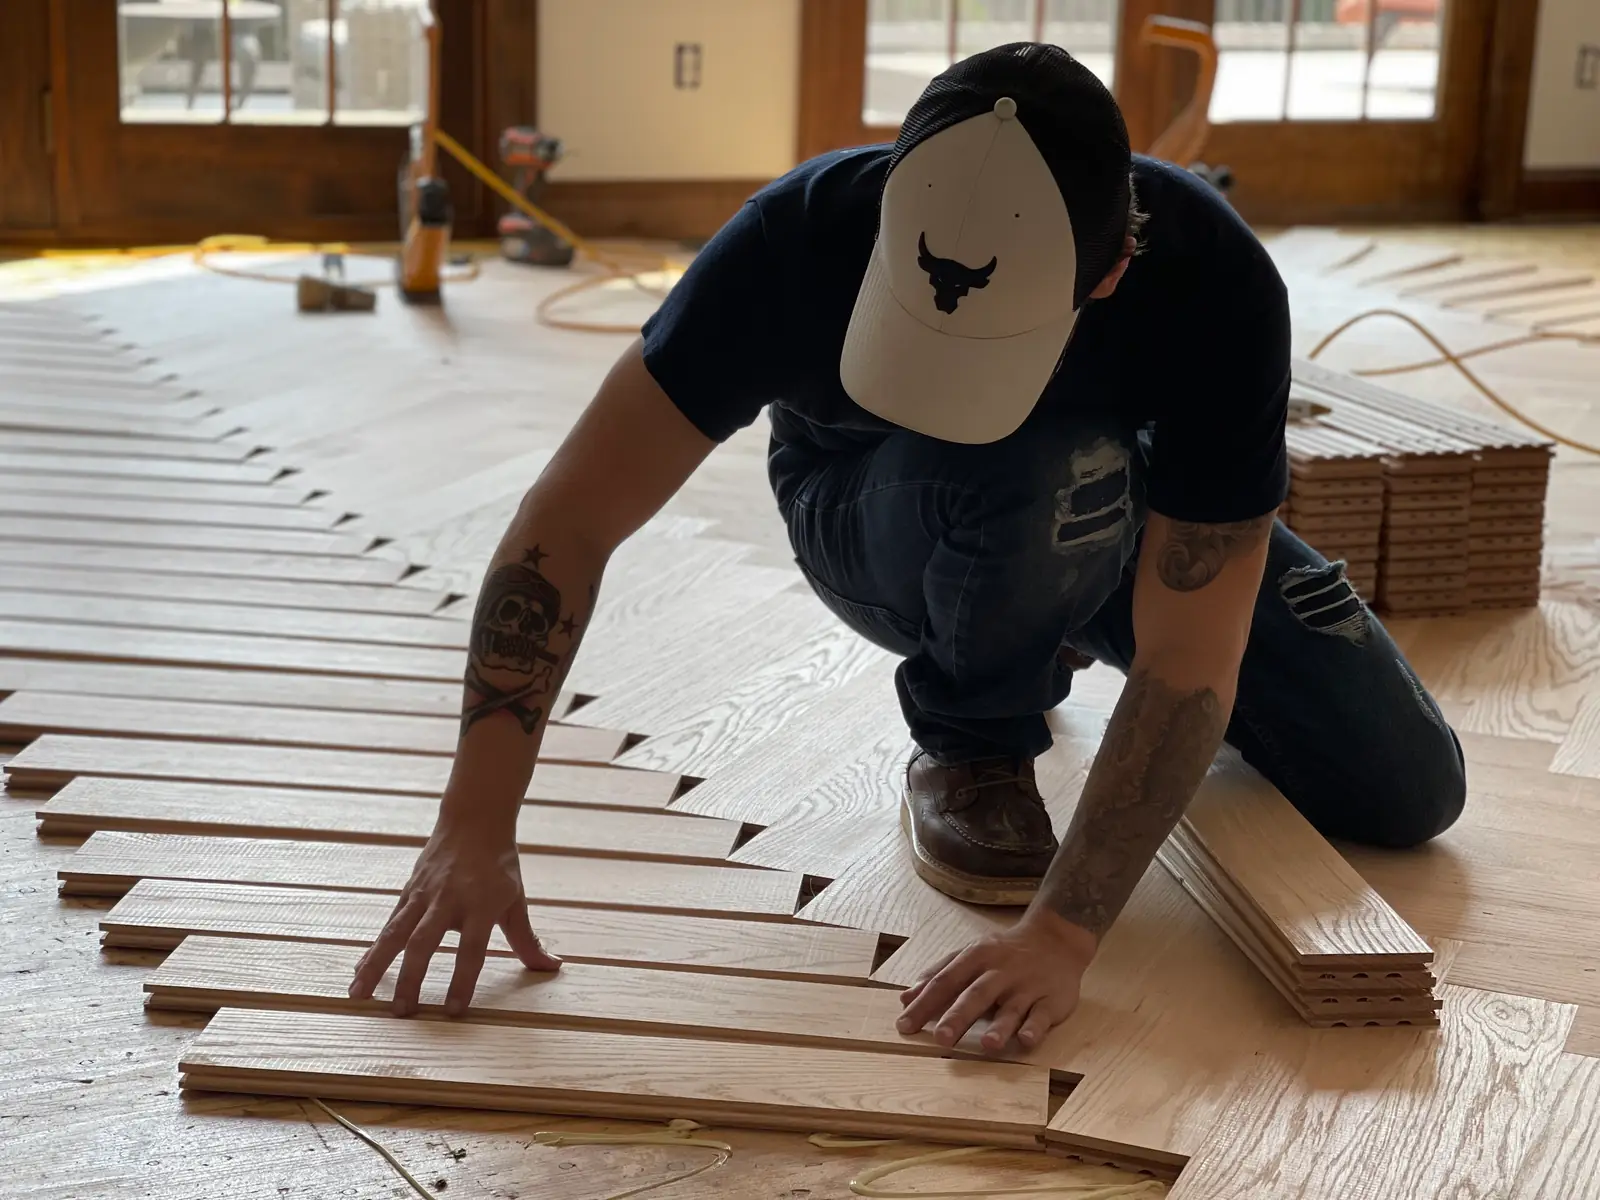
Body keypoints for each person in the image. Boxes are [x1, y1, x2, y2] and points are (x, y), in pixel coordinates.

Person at [348, 44, 1466, 1052]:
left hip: (1120, 507)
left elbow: (1189, 657)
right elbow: (569, 525)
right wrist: (472, 824)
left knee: (1407, 789)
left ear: (1112, 270)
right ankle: (973, 733)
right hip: (871, 514)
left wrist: (1063, 935)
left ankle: (1068, 595)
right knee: (1047, 470)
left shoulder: (1210, 283)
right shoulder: (794, 241)